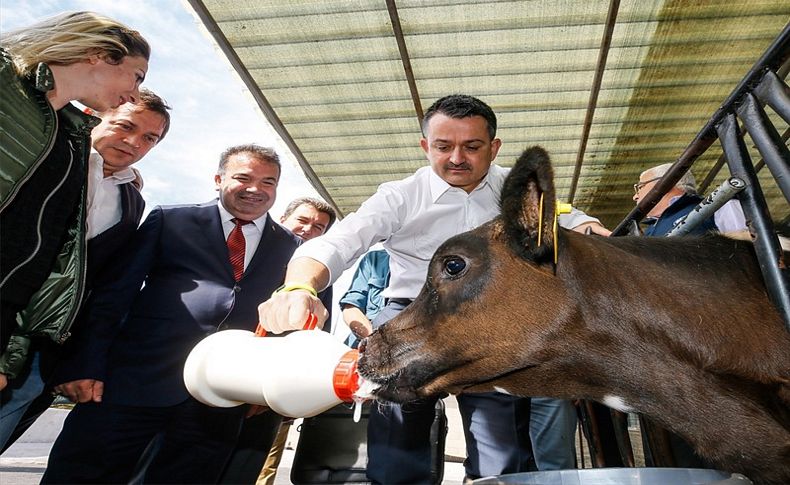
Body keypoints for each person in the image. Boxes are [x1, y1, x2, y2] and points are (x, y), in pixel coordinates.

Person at [256, 94, 609, 483]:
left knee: (502, 452)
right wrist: (300, 285)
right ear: (426, 146)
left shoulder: (520, 189)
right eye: (443, 147)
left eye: (472, 147)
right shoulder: (399, 196)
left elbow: (578, 226)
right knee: (397, 439)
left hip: (492, 323)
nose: (457, 158)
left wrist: (596, 235)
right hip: (411, 316)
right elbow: (337, 244)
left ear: (494, 148)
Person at [40, 144, 301, 484]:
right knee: (81, 474)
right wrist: (85, 364)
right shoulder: (171, 219)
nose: (256, 189)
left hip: (220, 400)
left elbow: (291, 330)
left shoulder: (293, 248)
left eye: (268, 182)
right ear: (218, 179)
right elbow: (114, 295)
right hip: (130, 383)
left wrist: (267, 391)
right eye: (243, 178)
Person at [0, 89, 171, 451]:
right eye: (125, 126)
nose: (133, 142)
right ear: (92, 114)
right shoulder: (50, 157)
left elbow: (103, 282)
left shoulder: (132, 200)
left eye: (149, 139)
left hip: (45, 349)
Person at [0, 11, 150, 393]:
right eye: (137, 76)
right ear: (100, 54)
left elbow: (29, 258)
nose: (134, 93)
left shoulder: (69, 142)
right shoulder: (6, 82)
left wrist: (8, 350)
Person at [221, 196, 337, 485]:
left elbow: (314, 337)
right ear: (284, 217)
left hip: (266, 391)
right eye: (303, 220)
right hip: (220, 370)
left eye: (319, 227)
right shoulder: (247, 243)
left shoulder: (319, 278)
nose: (309, 230)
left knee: (243, 470)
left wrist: (280, 393)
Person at [633, 163, 747, 237]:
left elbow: (752, 245)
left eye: (640, 187)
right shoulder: (648, 231)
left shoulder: (720, 205)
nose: (635, 196)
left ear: (664, 183)